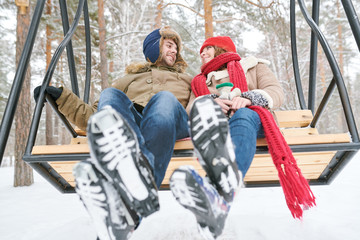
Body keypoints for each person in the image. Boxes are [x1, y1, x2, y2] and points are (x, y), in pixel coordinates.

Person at [35, 26, 192, 239]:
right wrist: (62, 99)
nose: (175, 51)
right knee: (110, 94)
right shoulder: (128, 79)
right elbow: (97, 115)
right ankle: (125, 209)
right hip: (134, 126)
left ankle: (136, 171)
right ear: (155, 46)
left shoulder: (187, 80)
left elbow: (201, 106)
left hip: (172, 120)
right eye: (170, 45)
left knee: (163, 99)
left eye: (176, 48)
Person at [169, 36, 315, 240]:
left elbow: (276, 92)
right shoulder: (199, 81)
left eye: (207, 48)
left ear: (222, 48)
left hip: (252, 119)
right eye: (201, 51)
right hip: (218, 127)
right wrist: (211, 102)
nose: (202, 53)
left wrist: (248, 98)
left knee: (243, 116)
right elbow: (191, 109)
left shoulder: (253, 67)